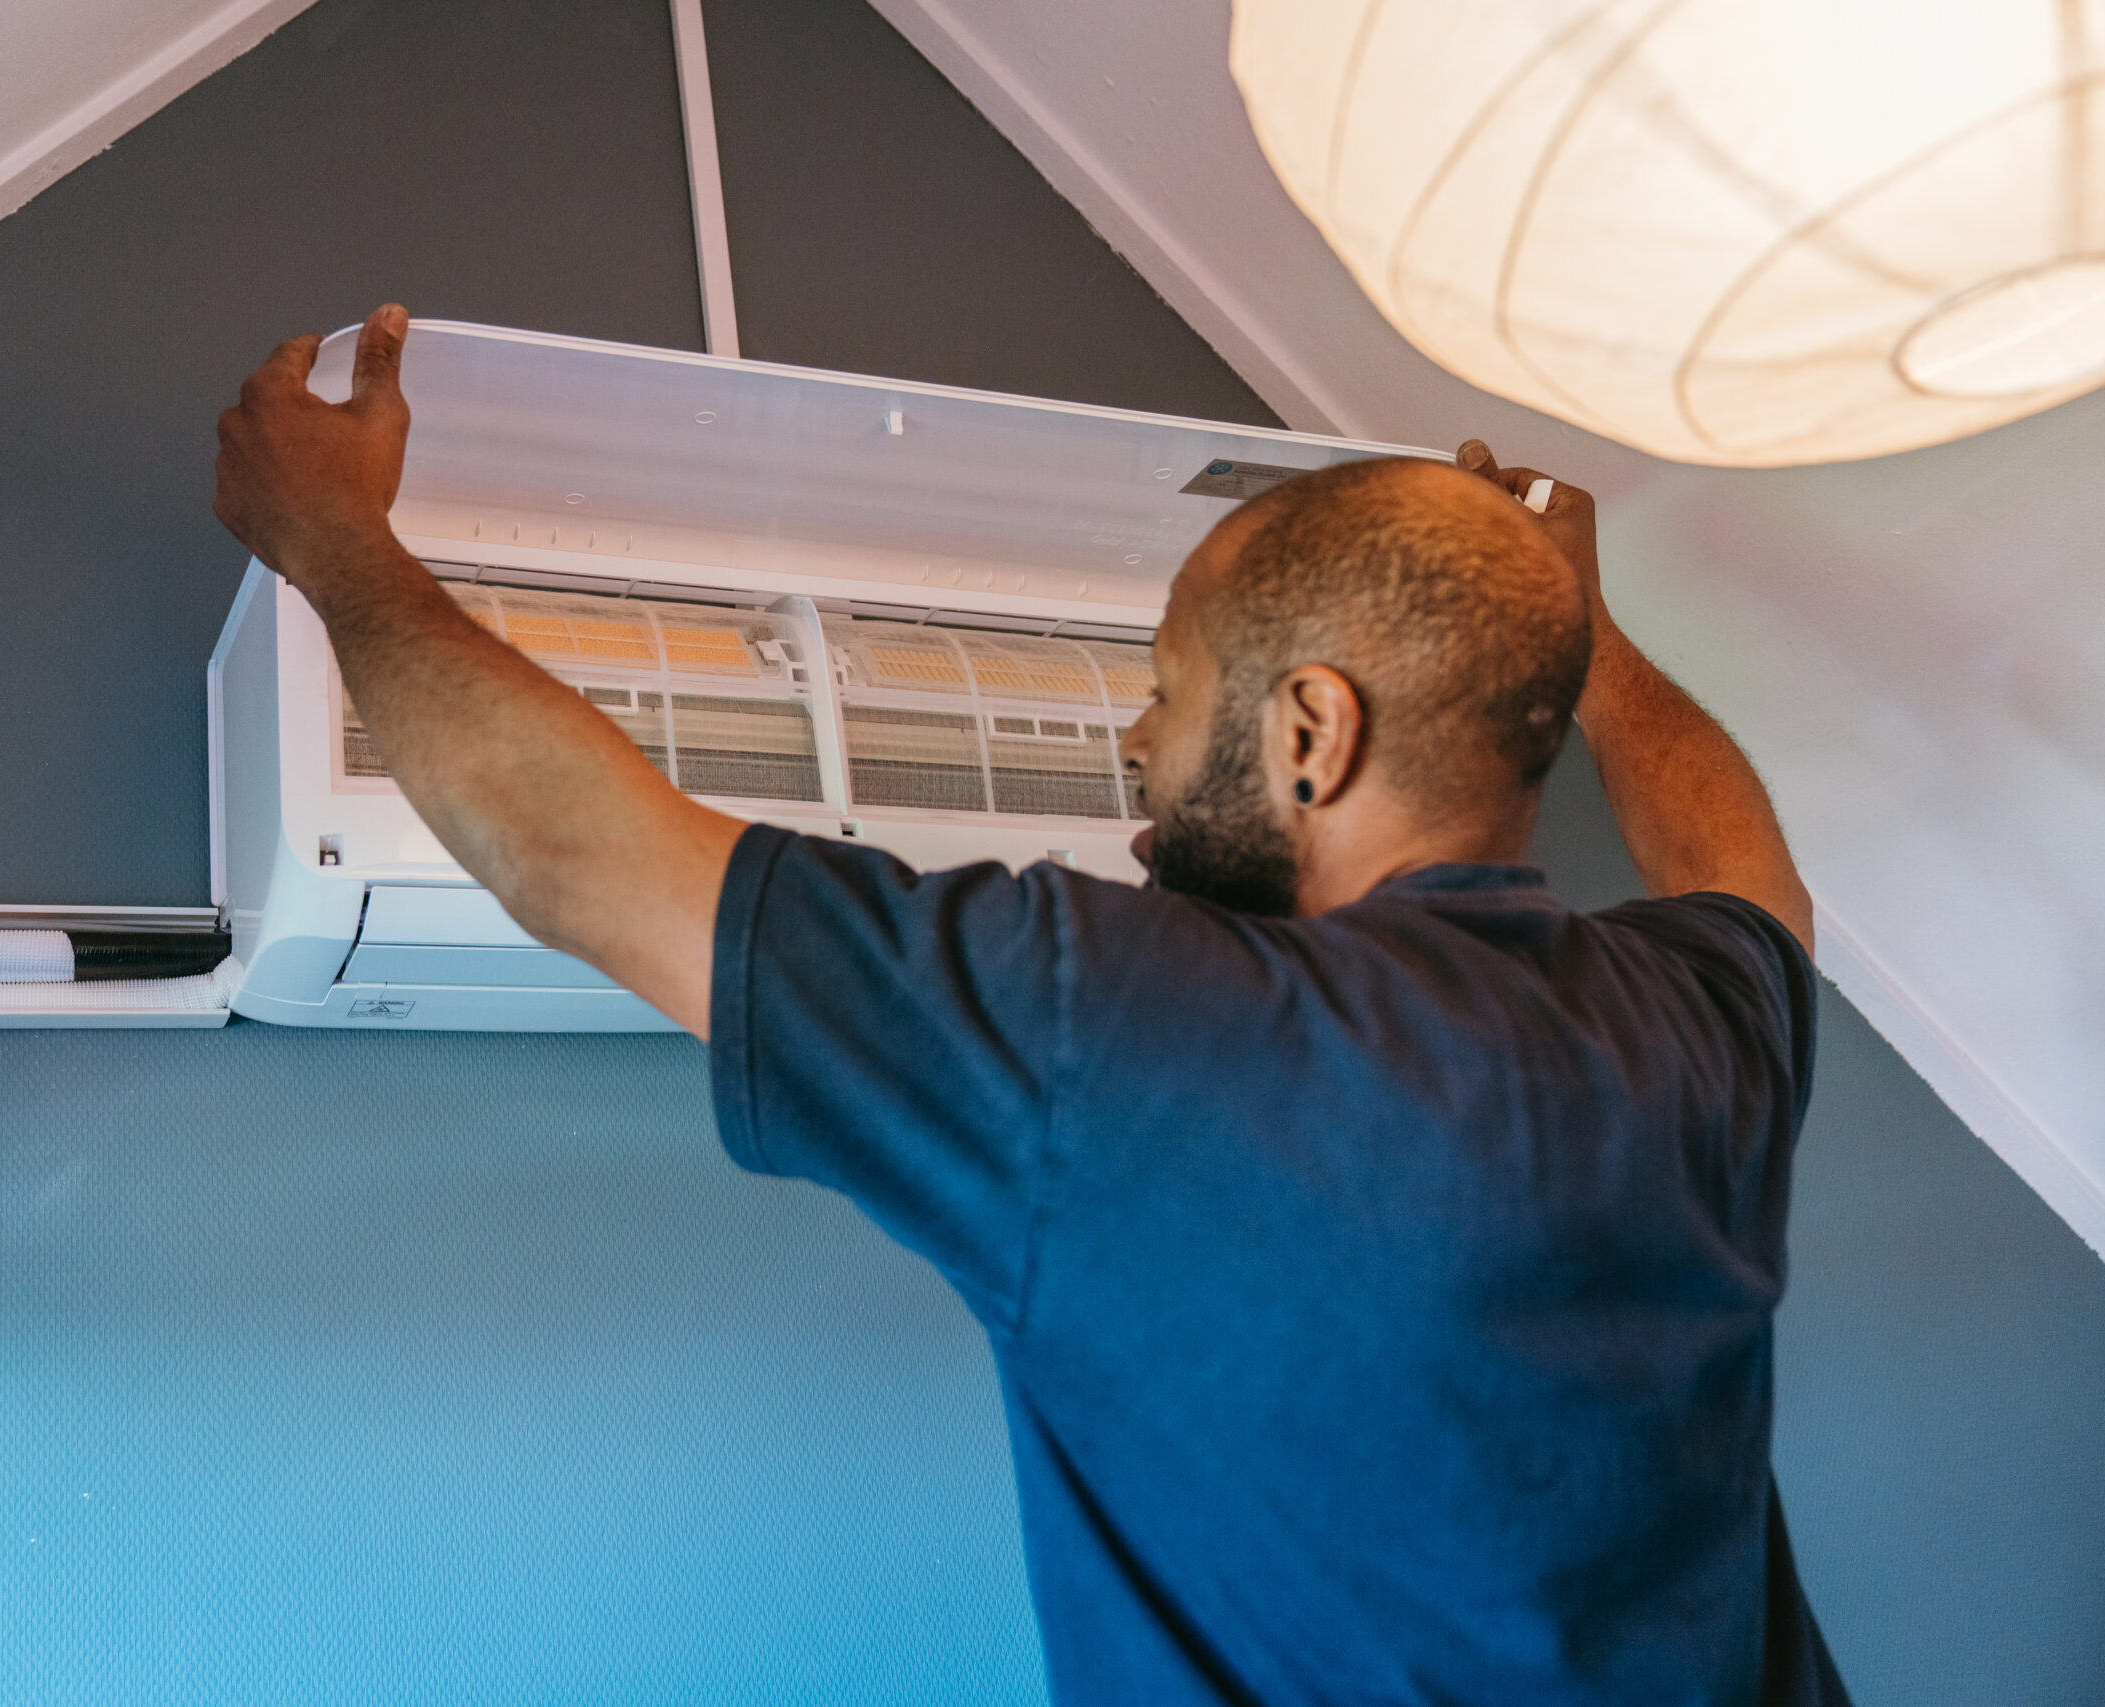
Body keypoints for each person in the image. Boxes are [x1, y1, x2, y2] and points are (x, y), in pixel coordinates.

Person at [213, 304, 1849, 1706]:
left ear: (1308, 735)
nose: (1135, 743)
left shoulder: (1116, 1024)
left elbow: (577, 857)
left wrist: (336, 546)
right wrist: (1587, 633)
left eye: (1165, 688)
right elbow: (1739, 860)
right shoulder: (1695, 1029)